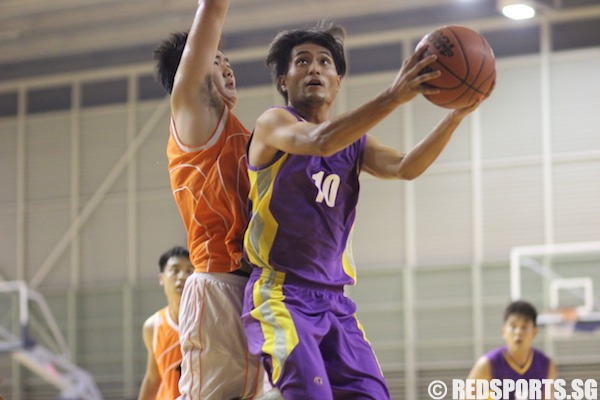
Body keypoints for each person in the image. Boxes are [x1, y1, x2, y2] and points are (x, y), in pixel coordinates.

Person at [241, 24, 489, 399]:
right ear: (283, 80)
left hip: (335, 302)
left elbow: (406, 167)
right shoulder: (273, 122)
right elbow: (320, 142)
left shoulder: (354, 144)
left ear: (337, 80)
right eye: (302, 62)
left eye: (325, 62)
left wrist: (453, 116)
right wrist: (393, 95)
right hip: (282, 295)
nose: (314, 69)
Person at [153, 0, 264, 398]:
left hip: (257, 288)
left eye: (227, 59)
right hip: (217, 286)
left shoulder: (245, 135)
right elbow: (213, 10)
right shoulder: (191, 113)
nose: (227, 66)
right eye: (216, 59)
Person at [466, 300, 557, 399]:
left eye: (524, 327)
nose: (518, 332)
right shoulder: (487, 364)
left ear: (535, 332)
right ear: (503, 331)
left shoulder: (546, 365)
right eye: (513, 327)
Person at [138, 246, 194, 400]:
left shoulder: (207, 322)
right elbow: (152, 379)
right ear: (162, 279)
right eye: (175, 270)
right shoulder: (152, 327)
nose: (182, 276)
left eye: (189, 271)